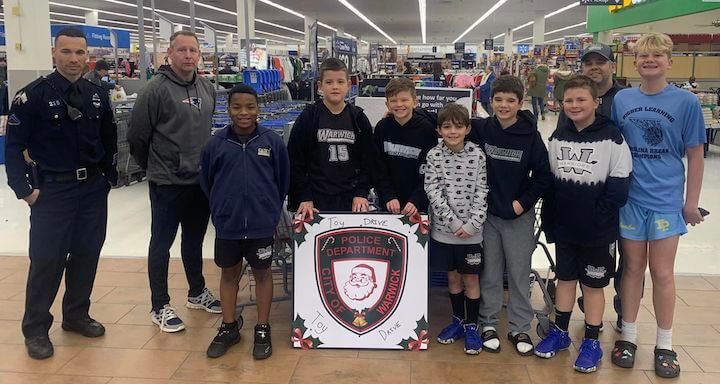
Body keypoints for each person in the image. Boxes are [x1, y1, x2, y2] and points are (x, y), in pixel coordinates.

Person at [4, 27, 118, 360]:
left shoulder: (98, 94)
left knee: (86, 254)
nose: (74, 59)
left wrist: (108, 177)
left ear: (88, 56)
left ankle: (76, 315)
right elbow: (14, 147)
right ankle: (36, 328)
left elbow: (109, 139)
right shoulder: (32, 96)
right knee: (47, 260)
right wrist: (24, 190)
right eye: (66, 52)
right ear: (54, 54)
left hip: (92, 190)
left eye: (80, 52)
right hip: (53, 191)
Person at [610, 32, 706, 379]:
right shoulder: (622, 99)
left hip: (666, 200)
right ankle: (629, 336)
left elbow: (696, 153)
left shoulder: (686, 103)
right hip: (631, 199)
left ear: (668, 61)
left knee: (662, 272)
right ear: (634, 62)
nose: (649, 61)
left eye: (657, 56)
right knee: (632, 269)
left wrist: (690, 202)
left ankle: (665, 343)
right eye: (643, 56)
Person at [535, 75, 632, 373]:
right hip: (565, 227)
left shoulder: (612, 137)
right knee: (565, 280)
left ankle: (591, 341)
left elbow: (619, 185)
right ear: (561, 104)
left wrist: (598, 218)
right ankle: (560, 333)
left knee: (592, 286)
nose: (574, 105)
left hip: (597, 231)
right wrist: (552, 219)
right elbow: (550, 182)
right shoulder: (559, 137)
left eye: (581, 100)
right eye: (569, 100)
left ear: (596, 102)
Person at [128, 30, 221, 333]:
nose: (188, 55)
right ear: (169, 53)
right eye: (181, 50)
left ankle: (196, 292)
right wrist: (155, 167)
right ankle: (160, 305)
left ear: (199, 54)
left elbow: (206, 128)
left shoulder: (207, 87)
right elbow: (137, 137)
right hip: (167, 182)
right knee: (161, 244)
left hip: (199, 181)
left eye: (193, 50)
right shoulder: (154, 90)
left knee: (193, 241)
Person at [200, 84, 290, 360]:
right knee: (229, 274)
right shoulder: (216, 144)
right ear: (228, 110)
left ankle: (262, 328)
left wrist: (270, 209)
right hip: (228, 225)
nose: (244, 112)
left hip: (262, 225)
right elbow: (206, 181)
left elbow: (282, 180)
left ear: (258, 109)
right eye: (237, 107)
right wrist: (221, 208)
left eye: (250, 107)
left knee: (262, 274)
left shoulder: (271, 141)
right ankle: (229, 327)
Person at [468, 75, 552, 356]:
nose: (504, 105)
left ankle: (519, 327)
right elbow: (447, 125)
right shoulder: (480, 129)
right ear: (490, 101)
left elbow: (543, 176)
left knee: (518, 273)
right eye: (498, 99)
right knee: (490, 272)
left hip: (518, 216)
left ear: (520, 102)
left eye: (510, 101)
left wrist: (522, 203)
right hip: (488, 215)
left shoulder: (530, 135)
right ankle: (488, 322)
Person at [567, 43, 627, 332]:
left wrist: (604, 208)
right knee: (589, 262)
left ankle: (622, 312)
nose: (594, 67)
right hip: (582, 196)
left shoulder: (624, 100)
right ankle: (591, 306)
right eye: (588, 62)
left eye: (600, 62)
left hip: (616, 192)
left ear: (612, 65)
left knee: (620, 261)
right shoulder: (574, 103)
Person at [425, 103, 488, 355]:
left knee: (471, 279)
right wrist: (451, 222)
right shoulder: (433, 156)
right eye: (447, 127)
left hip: (472, 233)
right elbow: (433, 191)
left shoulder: (477, 155)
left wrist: (473, 223)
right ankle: (457, 321)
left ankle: (472, 325)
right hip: (443, 231)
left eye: (458, 127)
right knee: (452, 278)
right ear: (439, 130)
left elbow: (483, 190)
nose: (453, 131)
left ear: (468, 129)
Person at [287, 58, 378, 219]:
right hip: (315, 199)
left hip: (351, 198)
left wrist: (361, 192)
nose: (335, 86)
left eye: (340, 82)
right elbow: (295, 160)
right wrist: (304, 196)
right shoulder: (309, 117)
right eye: (329, 82)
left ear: (349, 85)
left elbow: (369, 161)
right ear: (320, 86)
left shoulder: (358, 118)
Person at [373, 77, 438, 216]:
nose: (399, 104)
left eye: (404, 100)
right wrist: (388, 196)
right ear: (387, 104)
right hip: (388, 203)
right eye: (393, 101)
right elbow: (378, 168)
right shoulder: (382, 128)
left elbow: (430, 170)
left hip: (417, 206)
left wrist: (417, 200)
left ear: (415, 102)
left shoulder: (426, 129)